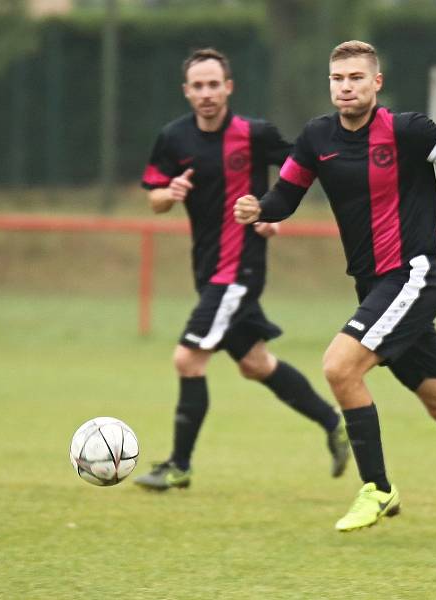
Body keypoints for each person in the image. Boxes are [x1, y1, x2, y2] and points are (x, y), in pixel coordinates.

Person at [234, 41, 436, 542]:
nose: (346, 87)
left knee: (339, 367)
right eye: (338, 78)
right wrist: (259, 207)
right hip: (376, 287)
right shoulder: (317, 137)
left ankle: (378, 487)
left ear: (376, 83)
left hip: (412, 277)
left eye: (356, 78)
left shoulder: (408, 130)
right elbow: (286, 197)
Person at [135, 48, 349, 491]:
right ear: (187, 92)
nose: (207, 93)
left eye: (214, 84)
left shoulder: (254, 134)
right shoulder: (173, 138)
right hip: (208, 270)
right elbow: (154, 199)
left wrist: (273, 212)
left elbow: (301, 168)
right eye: (198, 86)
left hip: (237, 271)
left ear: (228, 87)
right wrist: (169, 194)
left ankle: (179, 465)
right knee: (255, 363)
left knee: (187, 359)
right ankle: (334, 423)